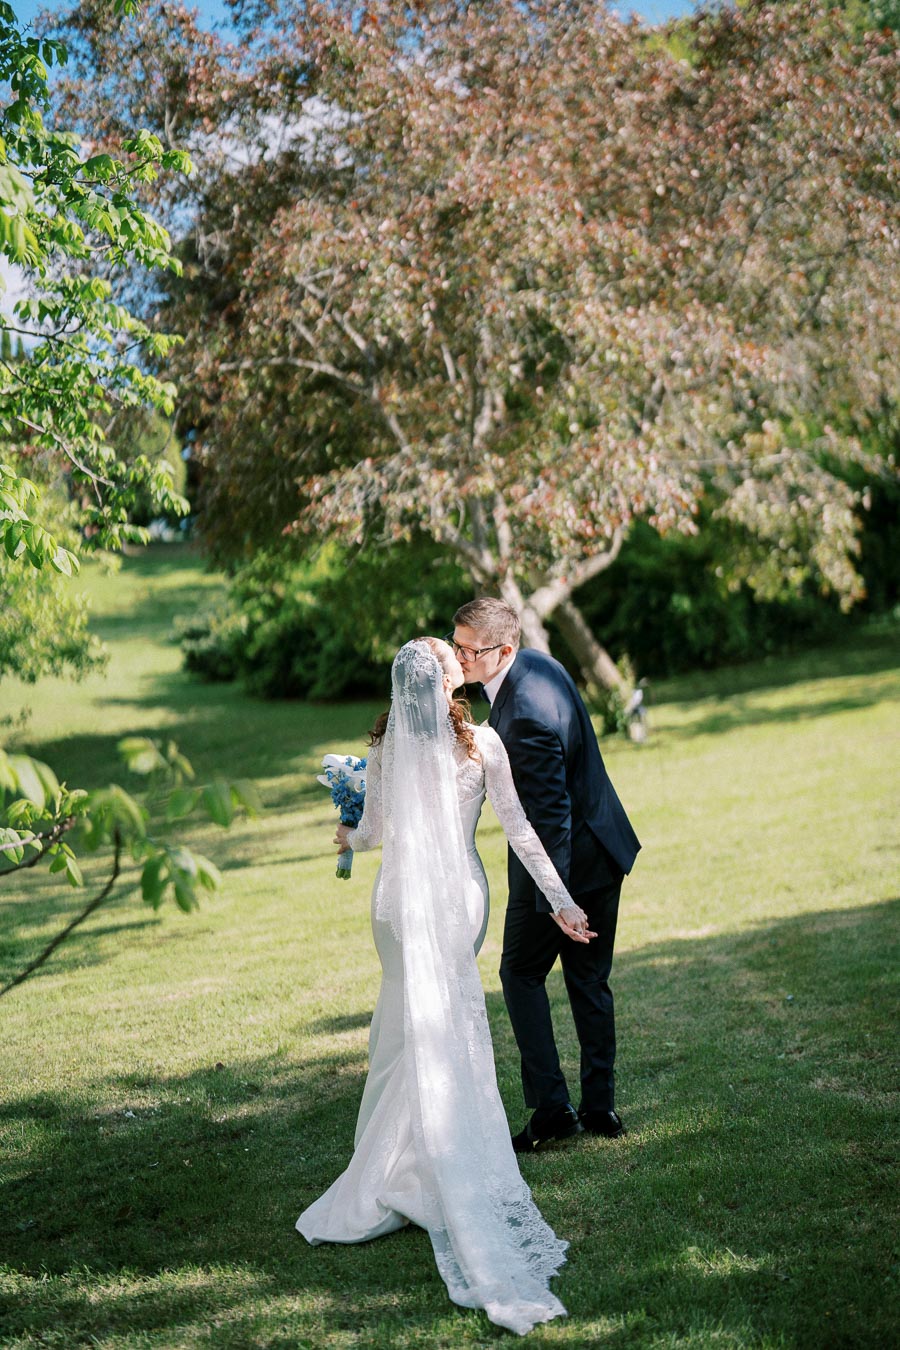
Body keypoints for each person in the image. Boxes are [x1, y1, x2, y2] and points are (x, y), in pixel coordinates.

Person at [296, 638, 593, 1336]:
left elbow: (369, 834)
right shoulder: (482, 743)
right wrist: (561, 899)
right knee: (442, 1029)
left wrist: (346, 829)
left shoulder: (388, 747)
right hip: (458, 901)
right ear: (448, 680)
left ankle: (396, 1173)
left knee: (403, 1034)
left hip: (395, 911)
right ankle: (435, 1163)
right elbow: (519, 831)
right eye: (448, 656)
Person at [448, 599, 641, 1152]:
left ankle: (554, 1110)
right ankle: (600, 1108)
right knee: (588, 980)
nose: (460, 658)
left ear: (502, 650)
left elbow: (549, 816)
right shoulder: (539, 664)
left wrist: (559, 900)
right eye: (456, 644)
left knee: (520, 974)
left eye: (469, 651)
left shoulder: (525, 713)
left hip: (563, 869)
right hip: (603, 849)